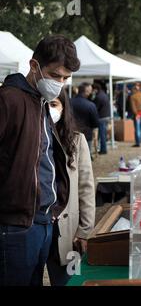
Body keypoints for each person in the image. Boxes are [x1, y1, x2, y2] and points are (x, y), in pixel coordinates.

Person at [0, 35, 79, 286]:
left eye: (66, 78)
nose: (61, 83)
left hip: (44, 221)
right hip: (15, 226)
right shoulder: (9, 99)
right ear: (34, 66)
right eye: (56, 76)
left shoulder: (41, 104)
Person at [45, 91, 95, 286]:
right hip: (37, 226)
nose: (49, 109)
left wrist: (84, 231)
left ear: (64, 107)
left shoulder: (77, 140)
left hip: (69, 229)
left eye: (54, 104)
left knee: (69, 280)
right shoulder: (30, 139)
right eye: (45, 104)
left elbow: (86, 187)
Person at [71, 83, 100, 155]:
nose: (91, 92)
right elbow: (95, 123)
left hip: (70, 133)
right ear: (86, 92)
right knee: (85, 158)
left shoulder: (68, 102)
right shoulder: (91, 105)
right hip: (86, 135)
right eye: (90, 90)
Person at [93, 82, 111, 154]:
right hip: (106, 116)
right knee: (103, 134)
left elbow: (95, 108)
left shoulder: (98, 96)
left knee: (102, 134)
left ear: (95, 89)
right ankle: (102, 148)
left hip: (101, 117)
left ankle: (103, 150)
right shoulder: (104, 94)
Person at [129, 83, 141, 147]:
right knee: (140, 128)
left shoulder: (133, 96)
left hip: (137, 113)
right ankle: (138, 141)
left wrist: (136, 114)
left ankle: (138, 142)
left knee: (137, 128)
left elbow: (133, 107)